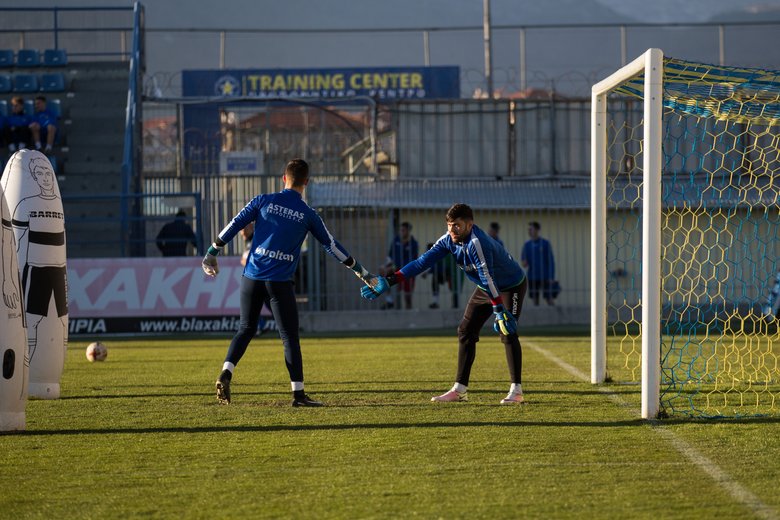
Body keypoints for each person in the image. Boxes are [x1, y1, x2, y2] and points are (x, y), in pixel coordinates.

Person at [202, 158, 385, 407]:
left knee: (245, 329)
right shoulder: (308, 214)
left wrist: (212, 251)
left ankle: (226, 371)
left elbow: (236, 223)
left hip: (251, 278)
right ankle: (298, 395)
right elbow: (331, 246)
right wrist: (361, 271)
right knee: (289, 337)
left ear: (283, 178)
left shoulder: (262, 200)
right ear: (306, 183)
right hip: (279, 283)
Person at [362, 203, 527, 405]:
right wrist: (390, 280)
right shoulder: (448, 240)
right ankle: (459, 390)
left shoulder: (477, 242)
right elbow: (421, 263)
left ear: (469, 224)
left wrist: (499, 310)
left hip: (511, 286)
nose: (452, 230)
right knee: (465, 331)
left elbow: (487, 276)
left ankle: (516, 391)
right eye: (449, 225)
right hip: (486, 288)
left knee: (507, 331)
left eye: (456, 225)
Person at [12, 156, 68, 361]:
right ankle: (28, 366)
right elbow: (16, 239)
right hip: (37, 269)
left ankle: (54, 365)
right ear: (34, 177)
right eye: (40, 174)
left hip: (59, 270)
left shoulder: (57, 205)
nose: (45, 178)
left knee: (62, 320)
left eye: (48, 174)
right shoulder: (26, 203)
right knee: (33, 318)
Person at [380, 221, 418, 309]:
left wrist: (397, 265)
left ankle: (408, 312)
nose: (401, 232)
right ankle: (389, 301)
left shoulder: (413, 243)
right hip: (395, 268)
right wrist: (386, 266)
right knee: (383, 271)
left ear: (408, 231)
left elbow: (412, 260)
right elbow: (390, 256)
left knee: (407, 296)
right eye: (400, 230)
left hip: (408, 270)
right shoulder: (396, 241)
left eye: (403, 230)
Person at [521, 221, 556, 306]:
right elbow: (523, 261)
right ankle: (536, 318)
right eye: (528, 230)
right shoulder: (527, 245)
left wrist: (551, 277)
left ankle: (556, 316)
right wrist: (524, 262)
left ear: (537, 230)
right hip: (532, 276)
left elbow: (551, 261)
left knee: (549, 298)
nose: (529, 231)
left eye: (531, 229)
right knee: (535, 300)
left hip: (545, 276)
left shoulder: (545, 243)